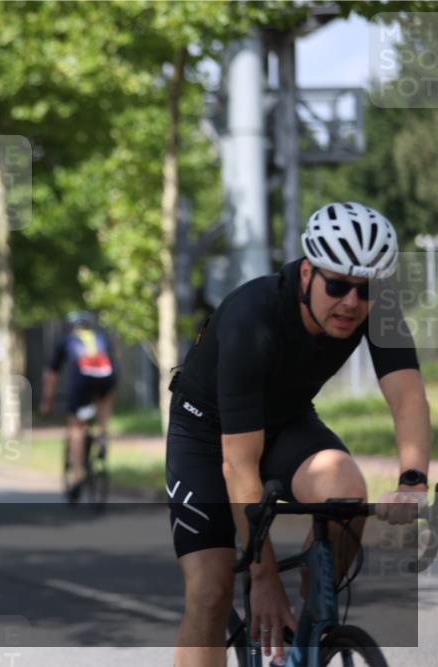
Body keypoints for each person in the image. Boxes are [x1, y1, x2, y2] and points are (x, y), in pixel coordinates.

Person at [165, 202, 431, 667]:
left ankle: (311, 627)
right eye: (337, 286)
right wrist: (262, 576)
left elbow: (407, 396)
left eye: (365, 290)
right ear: (307, 273)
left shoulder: (376, 306)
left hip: (286, 421)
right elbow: (239, 464)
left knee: (345, 489)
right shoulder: (255, 317)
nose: (352, 302)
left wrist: (412, 481)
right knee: (210, 593)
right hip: (207, 436)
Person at [40, 311, 119, 500]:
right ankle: (102, 434)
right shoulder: (101, 337)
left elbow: (52, 375)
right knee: (104, 401)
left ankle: (77, 475)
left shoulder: (67, 340)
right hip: (107, 379)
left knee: (76, 426)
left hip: (82, 382)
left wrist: (48, 402)